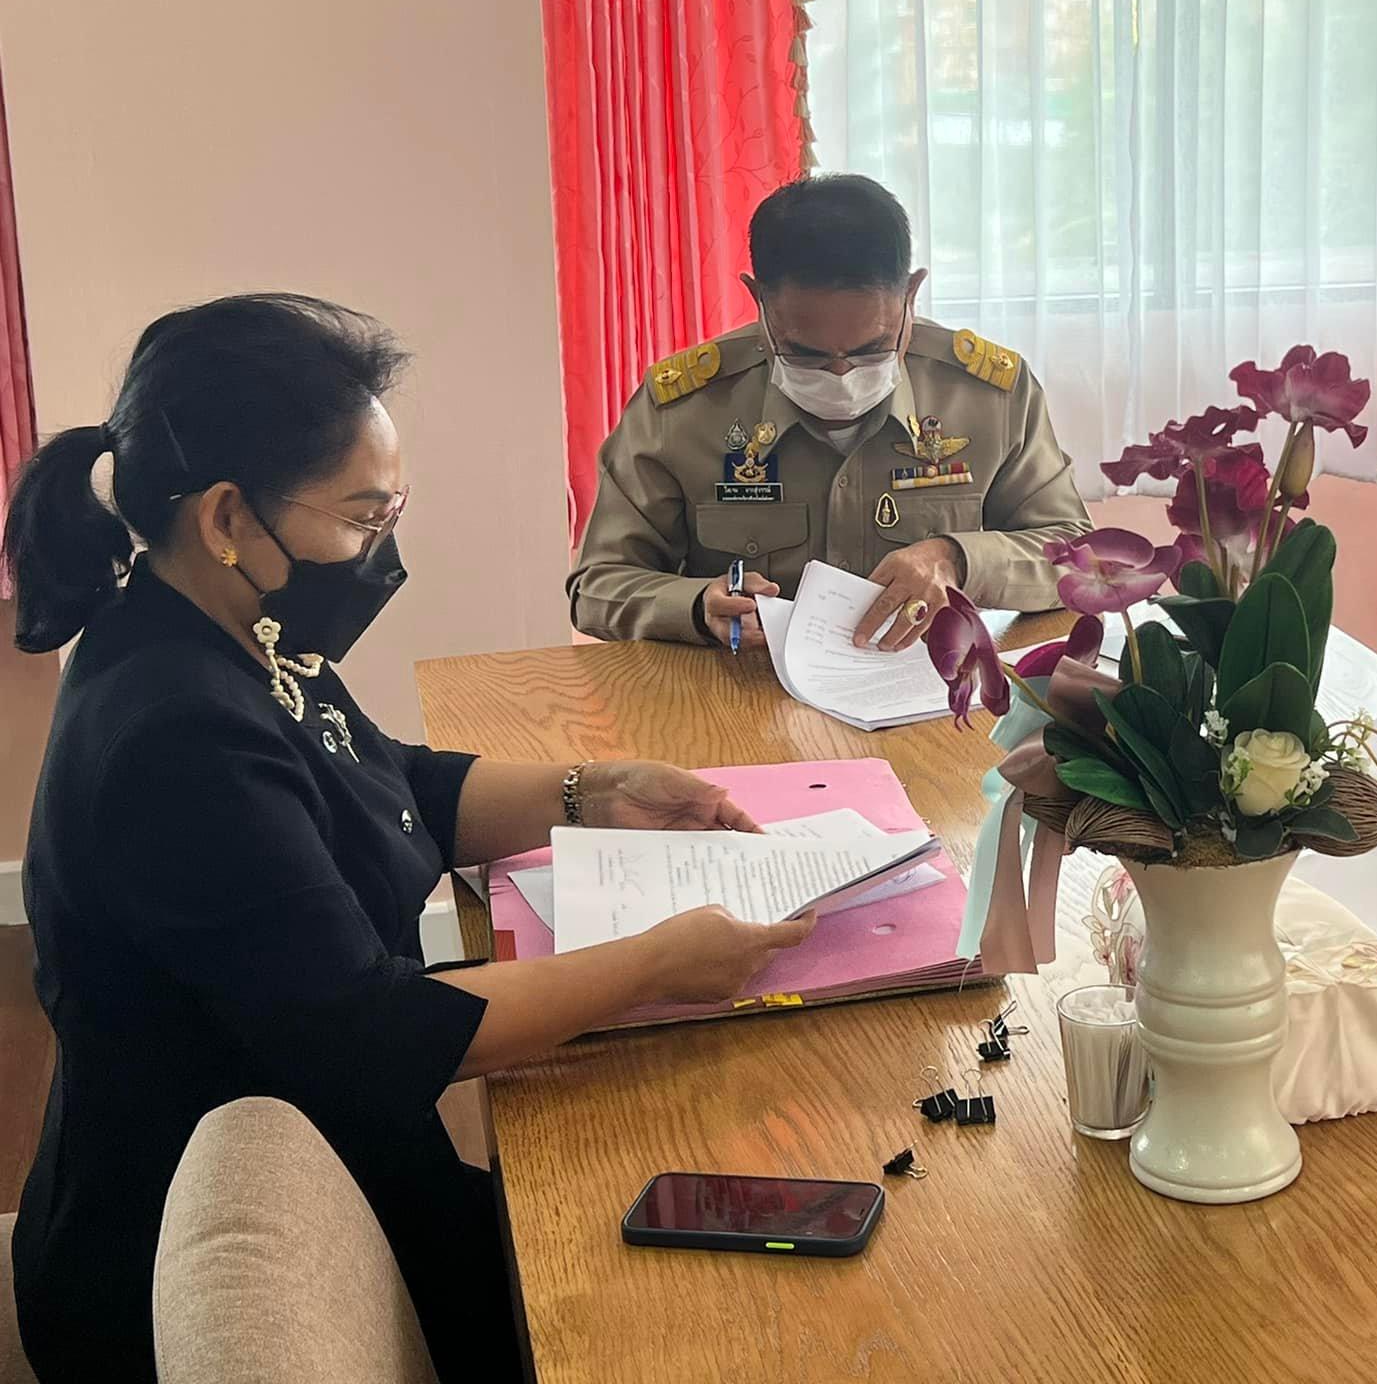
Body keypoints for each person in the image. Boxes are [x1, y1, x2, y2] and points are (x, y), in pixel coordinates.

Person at [4, 295, 815, 1382]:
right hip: (201, 1254)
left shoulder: (224, 624)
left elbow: (382, 778)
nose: (380, 550)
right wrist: (658, 965)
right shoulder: (174, 737)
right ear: (228, 517)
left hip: (324, 1134)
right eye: (361, 517)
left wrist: (592, 790)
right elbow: (376, 1031)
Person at [568, 174, 1091, 653]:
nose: (841, 374)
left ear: (911, 294)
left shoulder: (989, 397)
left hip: (926, 691)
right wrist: (697, 607)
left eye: (872, 349)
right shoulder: (684, 409)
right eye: (805, 354)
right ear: (758, 300)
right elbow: (597, 586)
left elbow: (1080, 560)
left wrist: (957, 559)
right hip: (738, 694)